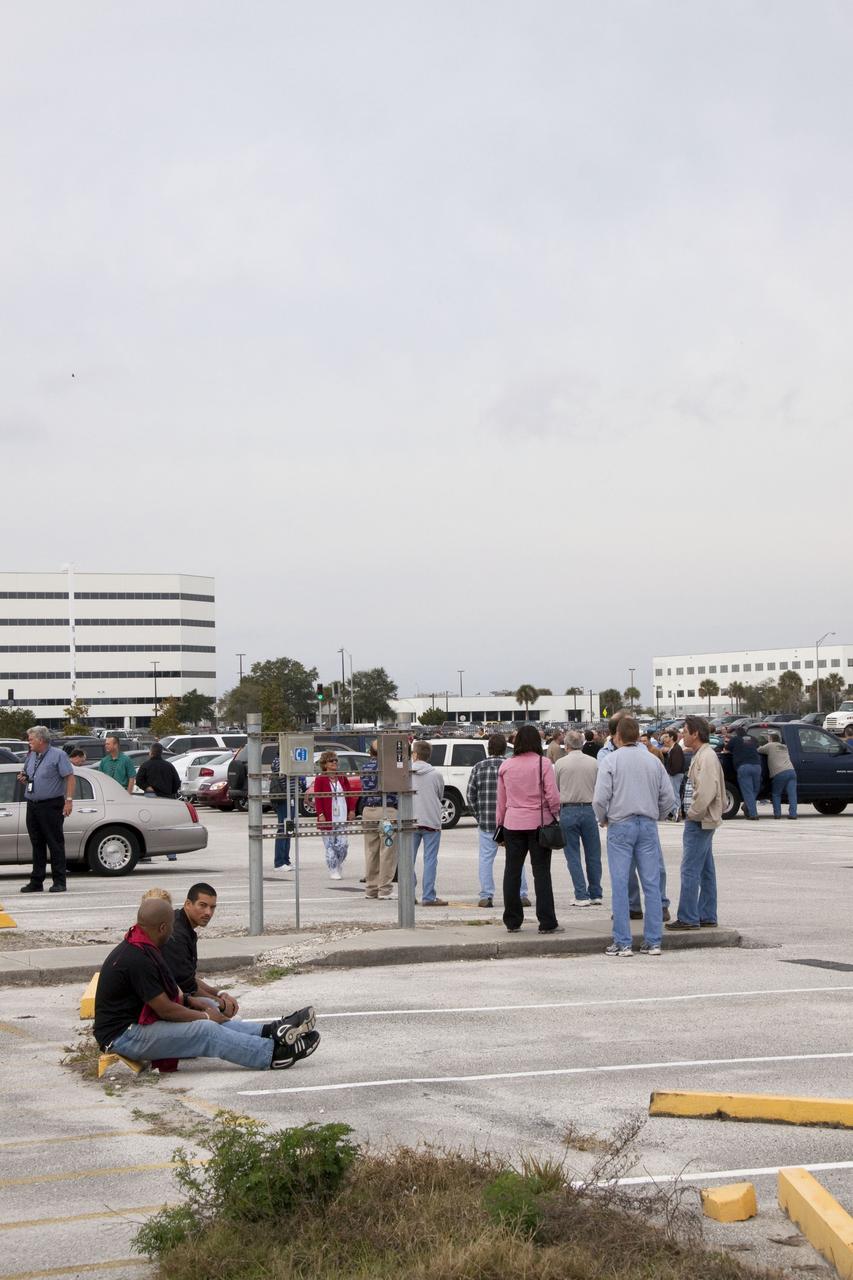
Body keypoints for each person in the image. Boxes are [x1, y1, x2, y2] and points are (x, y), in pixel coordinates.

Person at [93, 898, 318, 1070]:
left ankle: (270, 1031)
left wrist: (199, 1005)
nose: (173, 930)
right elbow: (165, 1009)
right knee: (205, 1030)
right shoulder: (138, 957)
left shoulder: (141, 945)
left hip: (136, 1026)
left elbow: (174, 995)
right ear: (162, 928)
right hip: (123, 1037)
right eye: (171, 925)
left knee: (204, 1011)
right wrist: (206, 1016)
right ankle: (273, 1055)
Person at [593, 716, 675, 957]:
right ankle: (653, 941)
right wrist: (656, 815)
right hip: (647, 824)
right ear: (639, 735)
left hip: (620, 824)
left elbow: (599, 798)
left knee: (620, 883)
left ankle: (622, 942)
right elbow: (668, 797)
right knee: (651, 884)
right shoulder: (653, 761)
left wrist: (603, 817)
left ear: (617, 736)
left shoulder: (610, 761)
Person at [496, 723, 561, 934]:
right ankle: (547, 921)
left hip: (512, 823)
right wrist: (555, 814)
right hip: (538, 823)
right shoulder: (544, 764)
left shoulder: (506, 766)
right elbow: (552, 795)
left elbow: (501, 801)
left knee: (512, 872)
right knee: (541, 873)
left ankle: (512, 920)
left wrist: (500, 825)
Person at [667, 716, 724, 931]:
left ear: (696, 734)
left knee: (689, 869)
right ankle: (706, 914)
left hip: (699, 820)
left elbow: (707, 790)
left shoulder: (706, 757)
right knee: (705, 870)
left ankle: (689, 917)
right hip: (703, 819)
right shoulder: (703, 755)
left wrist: (692, 813)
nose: (682, 734)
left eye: (685, 731)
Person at [467, 733, 529, 909]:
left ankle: (486, 896)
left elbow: (470, 795)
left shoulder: (479, 767)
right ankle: (522, 894)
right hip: (511, 821)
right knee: (516, 858)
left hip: (487, 822)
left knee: (486, 859)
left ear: (488, 748)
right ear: (505, 748)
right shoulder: (511, 766)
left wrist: (479, 815)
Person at [162, 883, 241, 1015]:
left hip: (178, 999)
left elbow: (188, 978)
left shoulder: (184, 925)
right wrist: (221, 1004)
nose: (208, 912)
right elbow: (188, 987)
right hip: (165, 1009)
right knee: (225, 1024)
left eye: (212, 907)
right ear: (188, 904)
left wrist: (220, 993)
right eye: (202, 905)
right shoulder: (177, 934)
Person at [19, 725, 76, 894]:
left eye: (31, 739)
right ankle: (37, 881)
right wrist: (24, 778)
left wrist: (69, 801)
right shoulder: (32, 756)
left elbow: (70, 778)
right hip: (33, 805)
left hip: (51, 805)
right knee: (37, 844)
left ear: (41, 740)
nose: (29, 742)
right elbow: (29, 775)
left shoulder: (58, 755)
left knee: (55, 843)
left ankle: (59, 881)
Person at [554, 730, 602, 906]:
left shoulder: (560, 764)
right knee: (593, 854)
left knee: (573, 855)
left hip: (568, 809)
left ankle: (581, 894)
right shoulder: (594, 763)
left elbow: (556, 788)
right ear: (582, 743)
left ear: (566, 745)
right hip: (589, 809)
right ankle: (596, 893)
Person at [411, 740, 447, 906]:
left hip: (410, 821)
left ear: (415, 754)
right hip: (431, 821)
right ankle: (428, 896)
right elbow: (439, 795)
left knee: (408, 859)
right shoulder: (436, 774)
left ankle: (409, 892)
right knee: (430, 859)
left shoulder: (407, 773)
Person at [360, 740, 398, 899]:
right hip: (387, 812)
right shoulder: (389, 767)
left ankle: (371, 888)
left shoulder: (365, 767)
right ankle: (385, 890)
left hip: (368, 810)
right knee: (387, 851)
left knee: (371, 852)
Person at [314, 751, 358, 880]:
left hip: (342, 815)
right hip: (327, 816)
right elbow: (318, 798)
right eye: (331, 761)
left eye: (335, 761)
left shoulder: (342, 777)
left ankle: (339, 863)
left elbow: (349, 794)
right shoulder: (320, 779)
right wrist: (320, 814)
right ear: (325, 764)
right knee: (330, 846)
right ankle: (333, 869)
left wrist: (352, 810)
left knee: (343, 845)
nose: (334, 763)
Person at [135, 742, 182, 861]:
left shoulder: (146, 765)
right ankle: (171, 854)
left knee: (150, 826)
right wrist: (171, 792)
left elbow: (139, 780)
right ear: (161, 753)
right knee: (168, 826)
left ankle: (148, 855)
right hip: (168, 798)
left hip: (151, 796)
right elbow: (177, 782)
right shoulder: (169, 766)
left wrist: (147, 787)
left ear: (151, 752)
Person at [758, 732, 798, 819]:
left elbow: (759, 750)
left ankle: (777, 814)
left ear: (771, 739)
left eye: (768, 739)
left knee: (776, 794)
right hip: (791, 771)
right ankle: (793, 814)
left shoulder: (770, 746)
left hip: (779, 772)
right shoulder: (785, 747)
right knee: (792, 794)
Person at [726, 727, 762, 819]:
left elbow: (727, 748)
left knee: (748, 791)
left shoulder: (735, 739)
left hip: (744, 767)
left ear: (737, 733)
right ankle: (748, 806)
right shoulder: (753, 739)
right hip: (757, 766)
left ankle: (753, 814)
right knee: (755, 789)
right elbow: (757, 747)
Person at [268, 755, 294, 875]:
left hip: (292, 798)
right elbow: (286, 775)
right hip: (284, 798)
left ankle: (286, 860)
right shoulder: (279, 761)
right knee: (283, 828)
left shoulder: (290, 759)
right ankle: (279, 862)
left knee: (289, 829)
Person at [660, 730, 686, 819]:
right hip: (674, 774)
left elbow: (677, 764)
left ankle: (677, 813)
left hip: (676, 774)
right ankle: (675, 813)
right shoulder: (673, 748)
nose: (665, 738)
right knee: (673, 793)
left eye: (667, 736)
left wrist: (670, 772)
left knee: (674, 794)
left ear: (671, 738)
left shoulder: (676, 749)